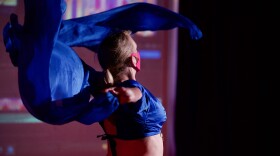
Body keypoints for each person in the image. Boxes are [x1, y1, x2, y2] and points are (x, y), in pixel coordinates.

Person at [94, 30, 167, 156]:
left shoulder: (109, 92)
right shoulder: (133, 89)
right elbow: (132, 94)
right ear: (133, 59)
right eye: (136, 49)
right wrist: (125, 93)